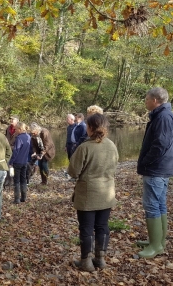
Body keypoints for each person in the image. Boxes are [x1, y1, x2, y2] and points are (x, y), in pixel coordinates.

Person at [68, 113, 119, 272]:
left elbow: (73, 171)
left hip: (88, 194)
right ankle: (100, 259)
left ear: (90, 128)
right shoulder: (111, 145)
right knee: (102, 226)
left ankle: (86, 262)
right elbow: (115, 166)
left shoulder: (85, 147)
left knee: (86, 228)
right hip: (107, 193)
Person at [136, 87, 173, 259]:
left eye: (147, 99)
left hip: (156, 169)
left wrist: (146, 161)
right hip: (162, 168)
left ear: (155, 100)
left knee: (152, 205)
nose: (145, 102)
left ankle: (155, 246)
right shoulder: (166, 116)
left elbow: (160, 145)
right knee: (159, 204)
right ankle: (159, 242)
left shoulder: (163, 117)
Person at [8, 122, 31, 204]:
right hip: (25, 161)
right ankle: (24, 197)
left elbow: (16, 151)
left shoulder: (19, 138)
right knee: (23, 180)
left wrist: (11, 162)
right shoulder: (28, 136)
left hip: (17, 162)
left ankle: (17, 199)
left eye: (16, 129)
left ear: (20, 129)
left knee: (16, 181)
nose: (15, 130)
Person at [3, 115, 19, 188]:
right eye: (11, 119)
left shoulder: (19, 129)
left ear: (17, 120)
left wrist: (12, 147)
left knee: (14, 166)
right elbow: (5, 138)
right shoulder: (8, 128)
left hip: (16, 150)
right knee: (7, 165)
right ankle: (8, 180)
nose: (11, 120)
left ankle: (13, 181)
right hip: (8, 150)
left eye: (13, 119)